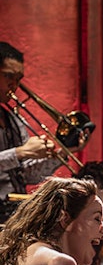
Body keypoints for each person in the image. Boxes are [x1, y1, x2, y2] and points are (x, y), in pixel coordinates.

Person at [0, 42, 63, 206]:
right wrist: (20, 152)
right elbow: (17, 155)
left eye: (18, 79)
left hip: (12, 212)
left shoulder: (13, 120)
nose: (14, 85)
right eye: (8, 76)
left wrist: (65, 151)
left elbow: (28, 176)